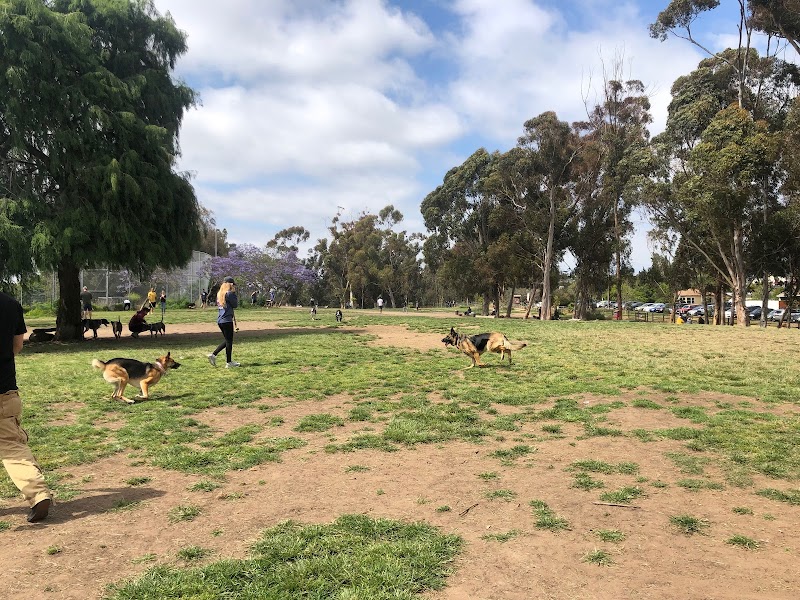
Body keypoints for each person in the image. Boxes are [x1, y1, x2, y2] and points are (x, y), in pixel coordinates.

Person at [0, 291, 53, 522]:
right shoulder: (10, 304)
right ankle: (38, 493)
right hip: (4, 389)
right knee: (11, 446)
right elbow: (18, 345)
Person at [208, 277, 240, 368]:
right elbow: (235, 305)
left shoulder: (219, 294)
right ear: (230, 284)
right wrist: (234, 294)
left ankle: (214, 355)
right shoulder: (229, 294)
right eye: (233, 284)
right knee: (229, 341)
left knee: (227, 340)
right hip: (227, 320)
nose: (234, 286)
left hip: (220, 320)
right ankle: (228, 362)